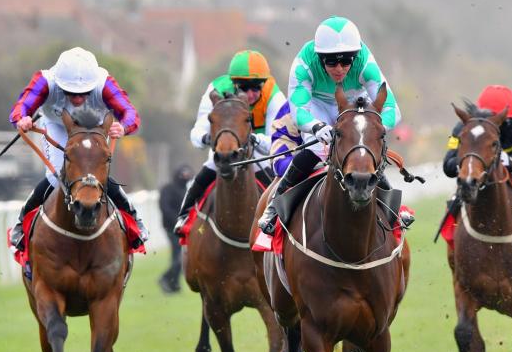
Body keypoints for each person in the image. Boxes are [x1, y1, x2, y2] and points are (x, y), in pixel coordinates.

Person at [257, 15, 403, 235]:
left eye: (346, 61)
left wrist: (374, 127)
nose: (339, 68)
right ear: (319, 57)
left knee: (364, 150)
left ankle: (394, 209)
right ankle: (274, 206)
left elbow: (393, 109)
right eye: (331, 62)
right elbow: (299, 111)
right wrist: (316, 127)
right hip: (317, 105)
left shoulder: (366, 63)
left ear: (355, 57)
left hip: (353, 105)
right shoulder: (303, 64)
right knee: (317, 149)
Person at [9, 46, 145, 250]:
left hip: (94, 128)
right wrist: (22, 119)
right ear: (60, 83)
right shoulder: (45, 80)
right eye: (70, 92)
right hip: (57, 126)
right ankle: (21, 224)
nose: (78, 99)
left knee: (95, 176)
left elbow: (130, 114)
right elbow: (20, 107)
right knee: (56, 177)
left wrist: (123, 127)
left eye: (84, 93)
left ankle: (134, 220)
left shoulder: (104, 83)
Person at [173, 50, 287, 235]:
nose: (250, 94)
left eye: (256, 87)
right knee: (207, 168)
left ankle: (283, 221)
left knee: (275, 180)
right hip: (224, 146)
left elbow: (276, 142)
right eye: (244, 87)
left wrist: (252, 139)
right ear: (233, 83)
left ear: (264, 84)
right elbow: (197, 131)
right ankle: (184, 216)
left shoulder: (275, 97)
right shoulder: (215, 90)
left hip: (258, 149)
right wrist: (209, 139)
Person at [443, 85, 512, 190]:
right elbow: (448, 167)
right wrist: (470, 159)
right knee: (463, 189)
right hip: (478, 161)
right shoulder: (463, 127)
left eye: (502, 120)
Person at [158, 164, 193, 293]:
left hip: (184, 228)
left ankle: (174, 284)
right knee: (179, 256)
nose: (186, 177)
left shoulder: (186, 190)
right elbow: (165, 208)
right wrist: (178, 221)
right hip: (171, 228)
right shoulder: (168, 189)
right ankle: (166, 278)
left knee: (179, 255)